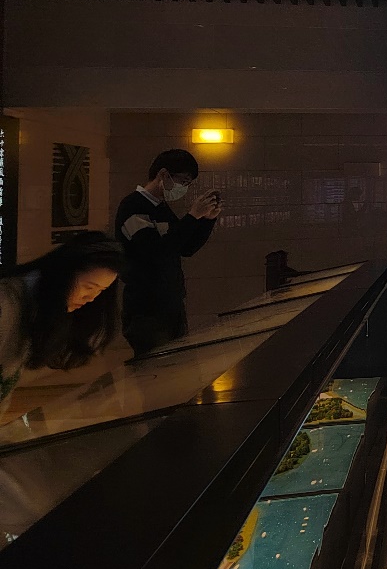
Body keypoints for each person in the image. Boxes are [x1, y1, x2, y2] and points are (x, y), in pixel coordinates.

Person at [0, 233, 125, 416]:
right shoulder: (7, 303)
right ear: (64, 274)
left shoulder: (34, 308)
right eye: (89, 287)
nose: (91, 298)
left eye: (100, 290)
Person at [114, 150, 222, 356]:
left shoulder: (161, 207)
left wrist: (207, 220)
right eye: (183, 181)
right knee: (156, 367)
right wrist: (192, 216)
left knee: (178, 365)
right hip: (146, 308)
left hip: (171, 304)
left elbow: (185, 248)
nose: (184, 188)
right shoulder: (133, 206)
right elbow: (154, 251)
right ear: (163, 174)